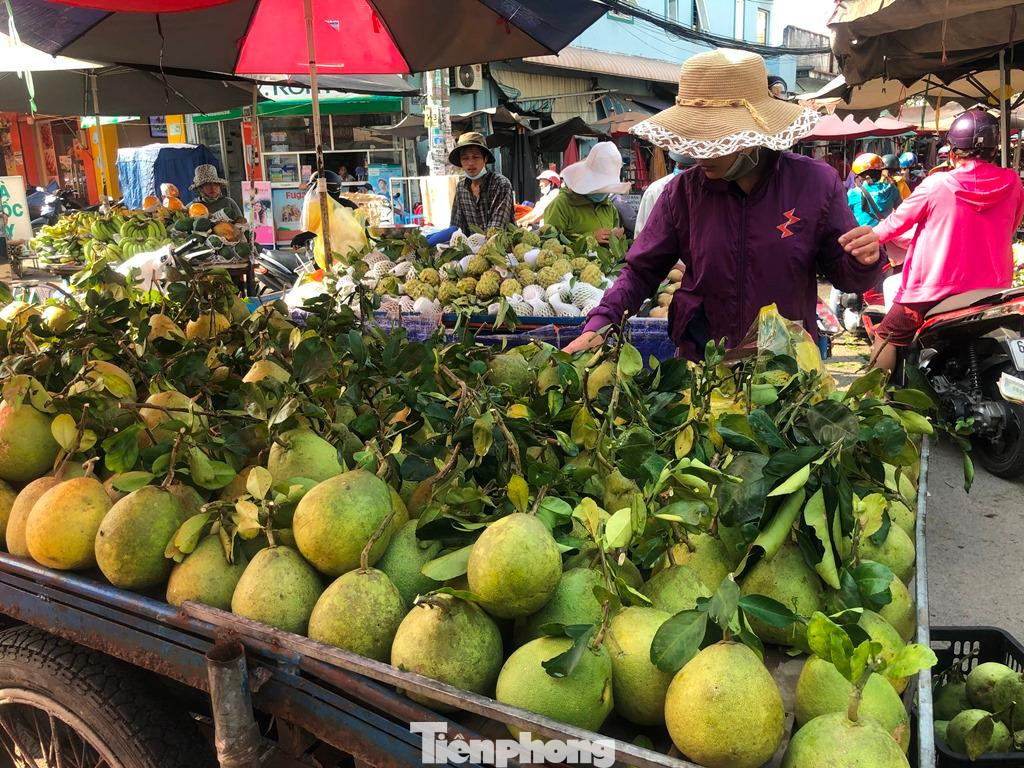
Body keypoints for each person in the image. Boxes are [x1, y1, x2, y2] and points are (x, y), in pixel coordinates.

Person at [562, 48, 881, 360]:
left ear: (753, 133)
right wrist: (602, 322)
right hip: (704, 369)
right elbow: (640, 272)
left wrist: (864, 261)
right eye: (695, 138)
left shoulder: (814, 184)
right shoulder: (682, 194)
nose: (700, 153)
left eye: (714, 139)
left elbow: (845, 276)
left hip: (784, 371)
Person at [870, 110, 1024, 372]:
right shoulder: (1013, 183)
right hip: (994, 291)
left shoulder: (937, 184)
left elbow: (892, 227)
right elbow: (1011, 226)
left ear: (953, 153)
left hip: (933, 291)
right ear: (994, 150)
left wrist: (864, 239)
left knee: (886, 336)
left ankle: (876, 403)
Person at [543, 141, 628, 243]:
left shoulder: (609, 207)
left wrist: (616, 240)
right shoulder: (561, 205)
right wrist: (589, 238)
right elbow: (549, 245)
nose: (603, 192)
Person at [449, 131, 515, 234]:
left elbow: (496, 229)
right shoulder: (461, 187)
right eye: (465, 158)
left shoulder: (500, 184)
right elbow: (457, 226)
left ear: (485, 158)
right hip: (472, 247)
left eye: (476, 157)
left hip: (501, 247)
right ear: (460, 162)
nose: (470, 163)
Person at [635, 152, 694, 235]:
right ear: (677, 164)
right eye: (683, 167)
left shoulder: (707, 191)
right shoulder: (656, 190)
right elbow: (642, 236)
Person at [847, 153, 899, 227]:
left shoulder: (854, 193)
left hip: (861, 236)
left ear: (861, 176)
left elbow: (845, 216)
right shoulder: (892, 188)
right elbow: (900, 210)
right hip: (884, 234)